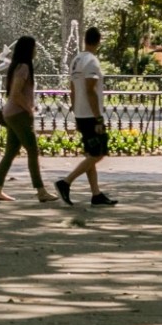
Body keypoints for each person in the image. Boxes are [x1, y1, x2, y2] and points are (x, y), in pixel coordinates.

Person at [54, 26, 116, 207]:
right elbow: (90, 90)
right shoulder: (91, 61)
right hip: (90, 115)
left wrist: (75, 111)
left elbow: (72, 89)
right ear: (99, 41)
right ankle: (65, 182)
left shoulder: (76, 60)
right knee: (99, 153)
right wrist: (98, 118)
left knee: (91, 154)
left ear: (84, 40)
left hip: (81, 113)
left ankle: (96, 194)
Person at [0, 35, 56, 203]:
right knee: (33, 151)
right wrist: (29, 109)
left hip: (10, 113)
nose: (36, 51)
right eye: (34, 48)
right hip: (18, 114)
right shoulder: (24, 67)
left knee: (11, 152)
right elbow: (16, 93)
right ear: (28, 50)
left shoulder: (17, 66)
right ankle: (41, 191)